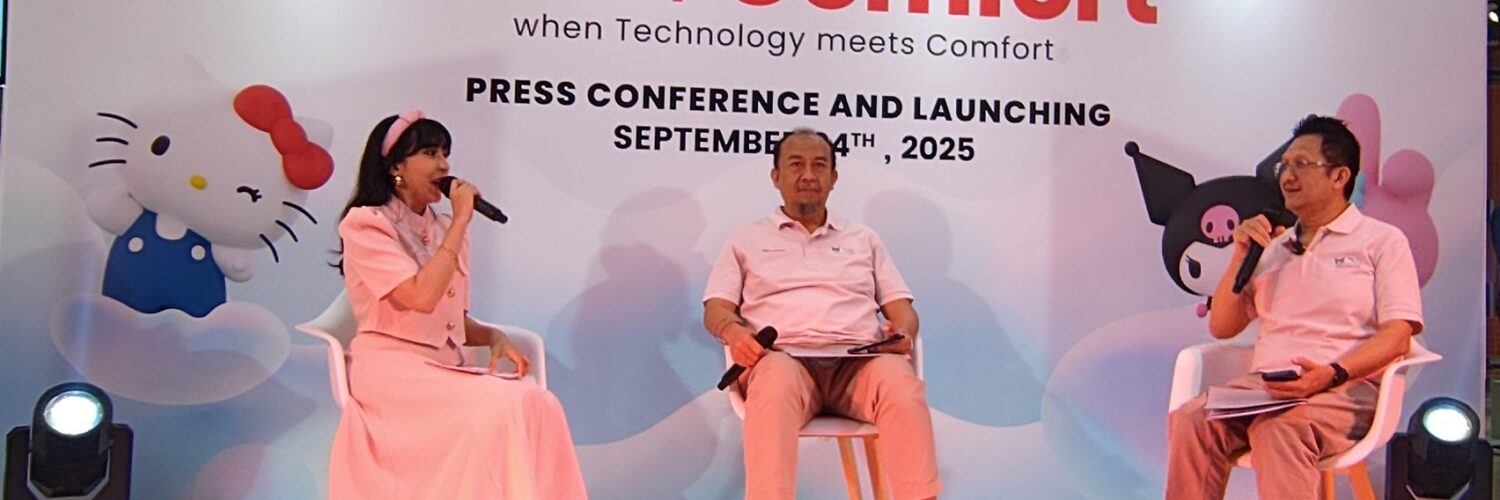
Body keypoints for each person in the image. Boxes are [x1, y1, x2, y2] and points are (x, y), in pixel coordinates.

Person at [326, 110, 587, 499]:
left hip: (445, 368)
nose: (444, 166)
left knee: (539, 402)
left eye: (445, 154)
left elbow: (450, 321)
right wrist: (462, 221)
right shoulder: (367, 223)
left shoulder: (445, 227)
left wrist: (492, 336)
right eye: (430, 153)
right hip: (393, 374)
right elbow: (420, 296)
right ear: (396, 166)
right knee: (503, 404)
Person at [1164, 115, 1425, 499]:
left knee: (1279, 431)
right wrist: (1240, 254)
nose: (1287, 176)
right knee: (1192, 420)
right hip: (1265, 388)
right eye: (1284, 166)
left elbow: (1398, 335)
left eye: (1302, 164)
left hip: (1344, 389)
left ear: (1340, 176)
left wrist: (1331, 374)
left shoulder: (1381, 241)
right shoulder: (1273, 246)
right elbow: (1222, 326)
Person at [702, 128, 942, 500]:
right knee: (775, 378)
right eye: (796, 165)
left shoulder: (863, 238)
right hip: (784, 361)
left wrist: (903, 334)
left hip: (857, 365)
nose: (809, 175)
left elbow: (902, 309)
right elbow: (716, 307)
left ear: (833, 177)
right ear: (776, 177)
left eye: (819, 165)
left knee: (899, 379)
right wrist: (735, 334)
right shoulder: (745, 239)